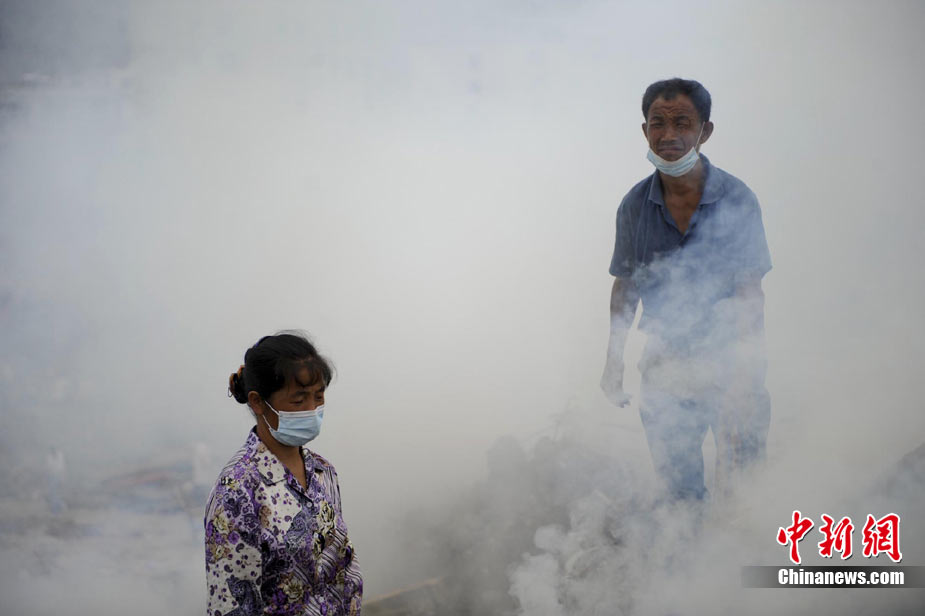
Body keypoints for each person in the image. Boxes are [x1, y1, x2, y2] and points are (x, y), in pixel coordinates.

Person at [601, 78, 772, 502]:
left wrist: (745, 371)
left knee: (743, 491)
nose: (669, 135)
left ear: (704, 131)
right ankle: (687, 540)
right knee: (678, 493)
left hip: (730, 362)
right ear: (645, 131)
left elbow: (749, 293)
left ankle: (739, 542)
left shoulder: (736, 198)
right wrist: (613, 361)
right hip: (666, 366)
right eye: (658, 123)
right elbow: (625, 286)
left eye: (682, 122)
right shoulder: (634, 206)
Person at [206, 332, 363, 615]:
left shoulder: (323, 471)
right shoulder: (238, 490)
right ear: (257, 402)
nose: (312, 410)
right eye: (298, 400)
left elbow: (341, 569)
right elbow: (231, 603)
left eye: (318, 397)